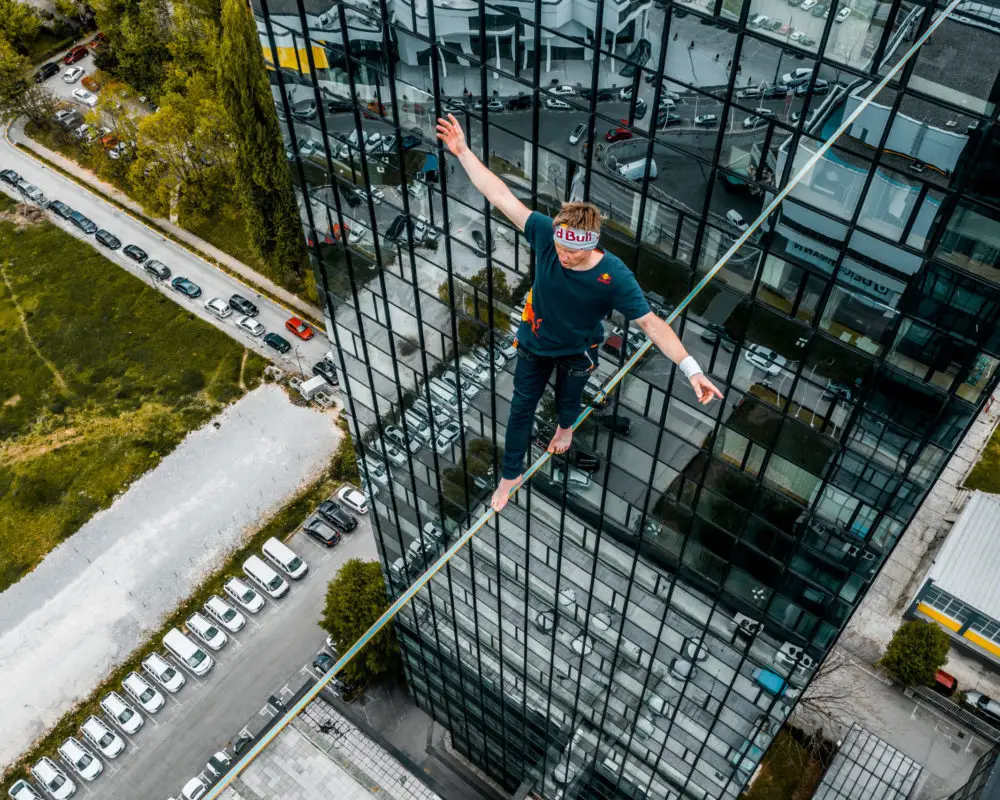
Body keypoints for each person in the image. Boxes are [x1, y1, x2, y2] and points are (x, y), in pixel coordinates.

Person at [435, 114, 723, 513]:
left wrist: (692, 370)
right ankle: (509, 474)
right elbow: (501, 196)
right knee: (520, 409)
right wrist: (463, 152)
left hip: (577, 349)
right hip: (535, 344)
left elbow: (652, 324)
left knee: (570, 402)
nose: (564, 257)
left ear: (593, 243)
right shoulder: (545, 236)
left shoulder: (614, 276)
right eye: (560, 247)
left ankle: (565, 429)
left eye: (574, 251)